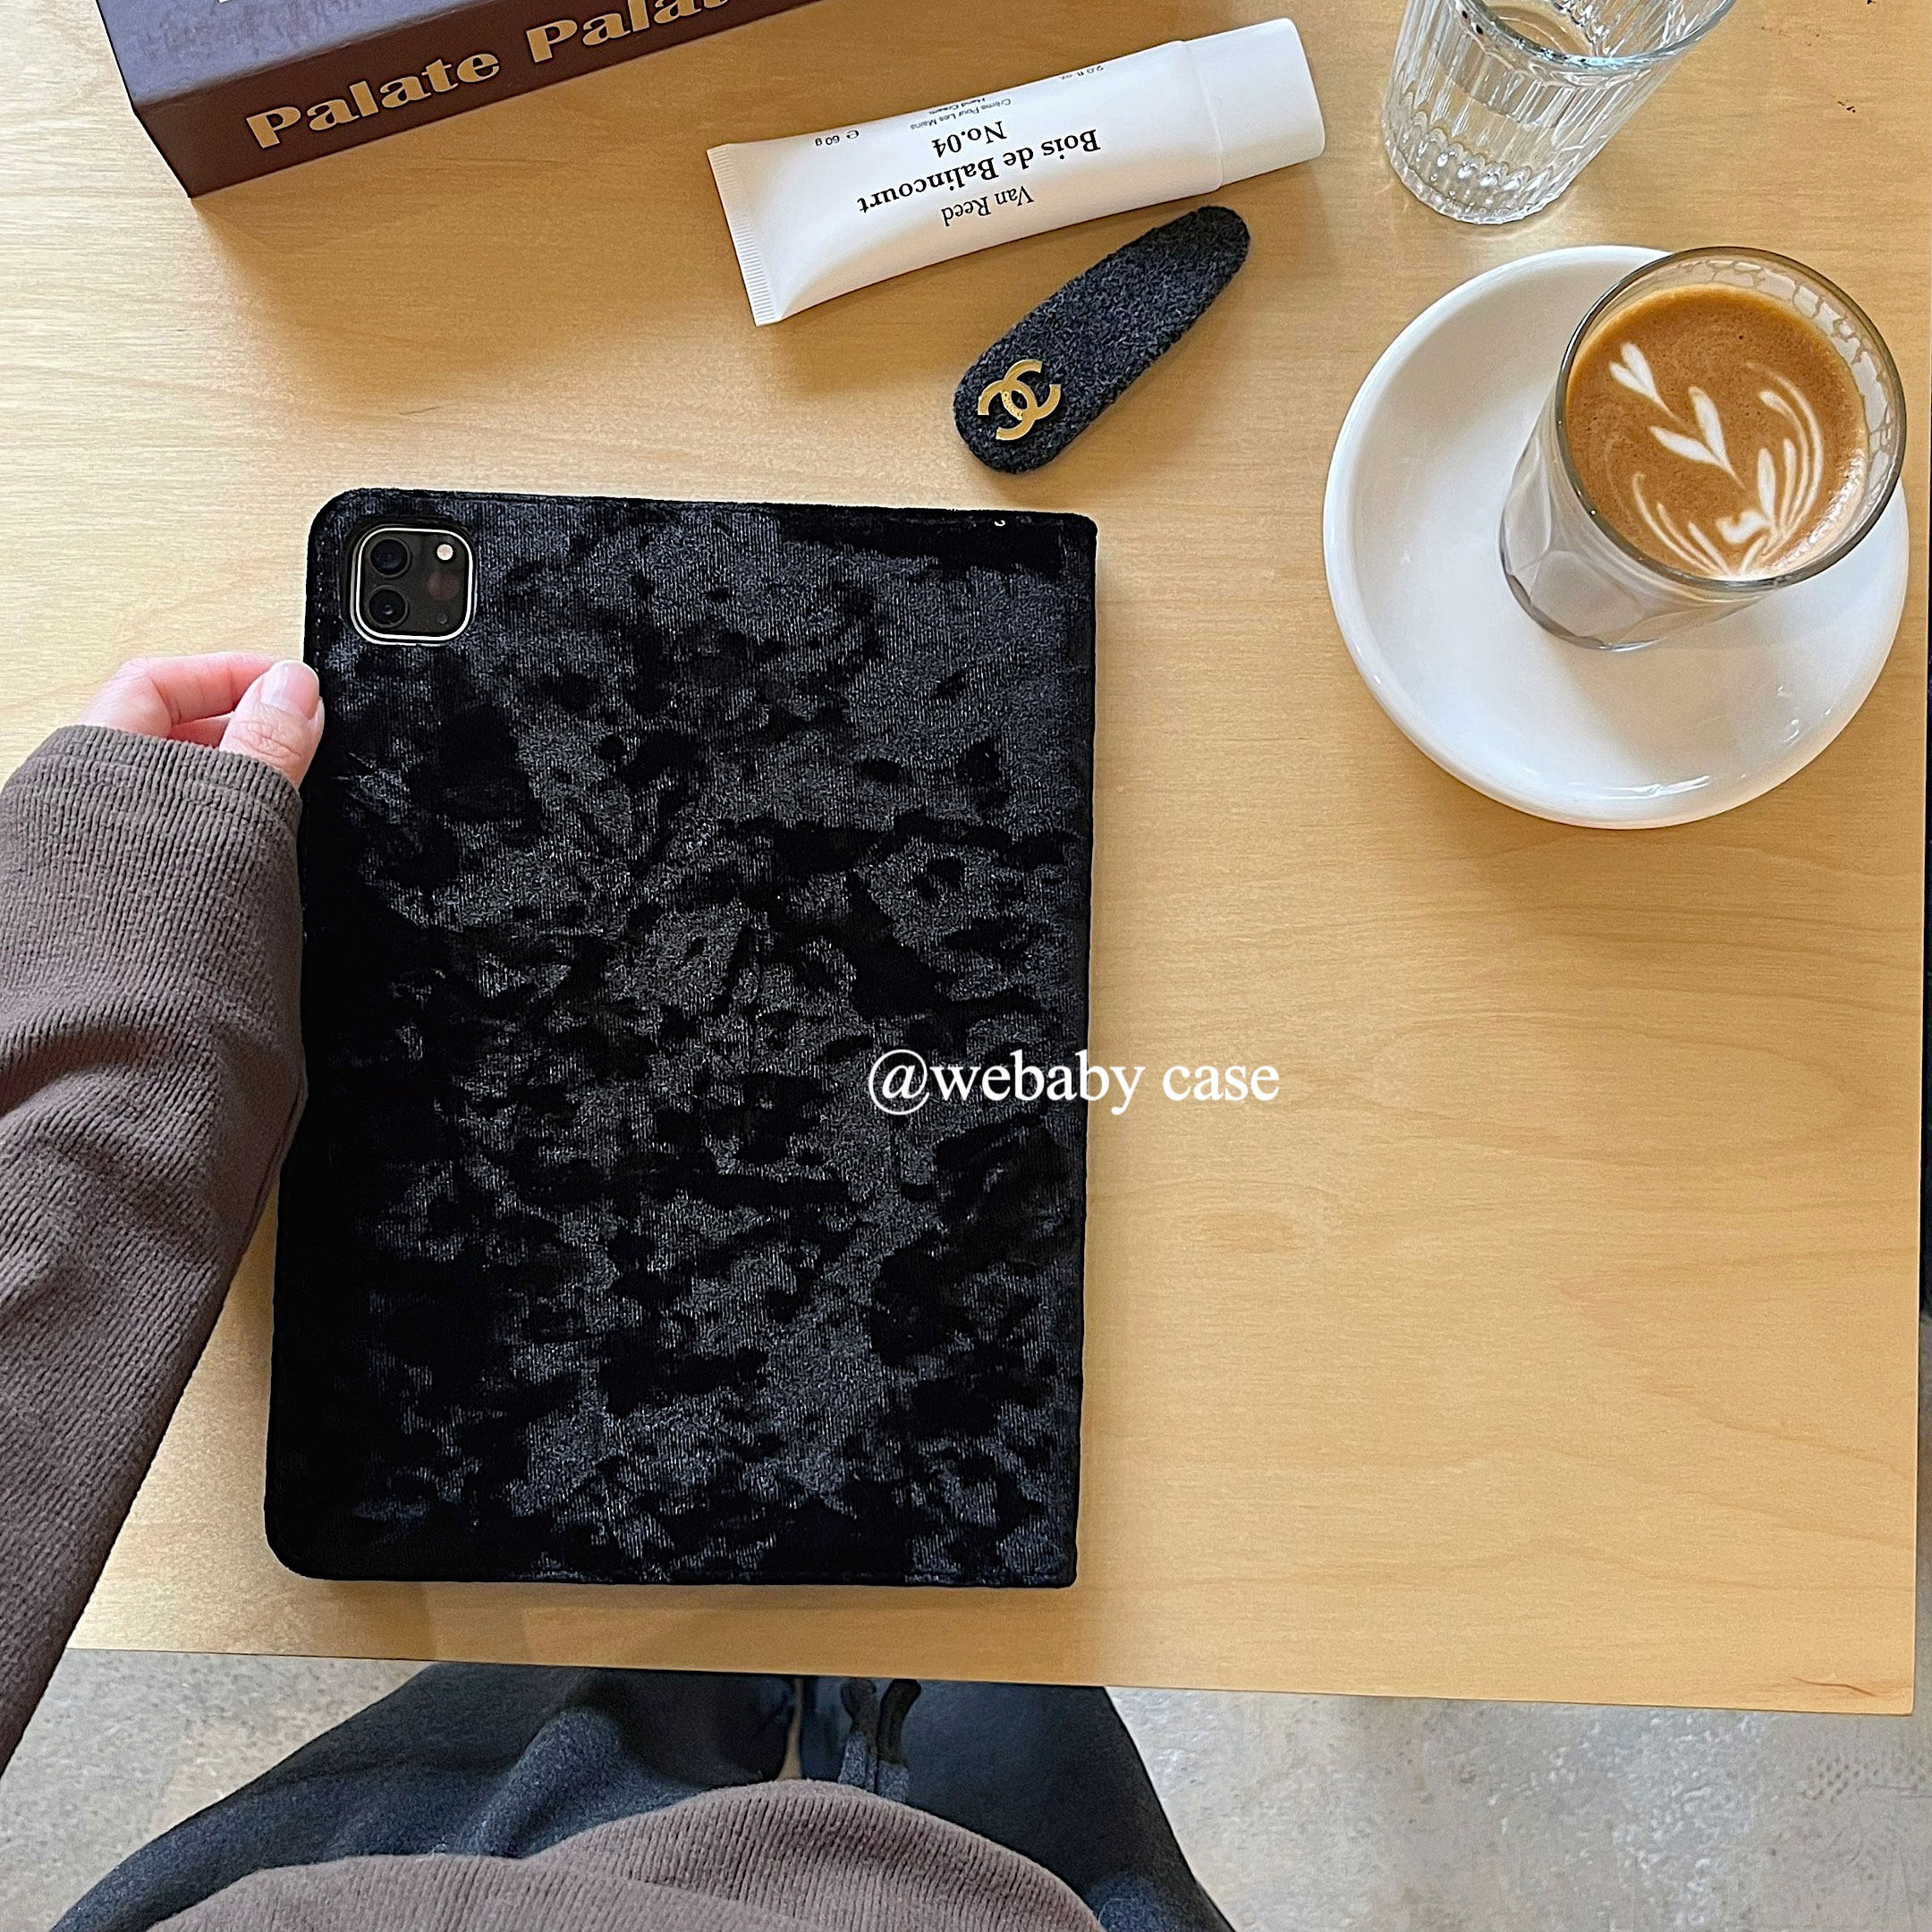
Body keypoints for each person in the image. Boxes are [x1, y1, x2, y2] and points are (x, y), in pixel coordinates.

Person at [0, 655, 1233, 1932]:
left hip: (478, 1853)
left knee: (690, 1653)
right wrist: (123, 1042)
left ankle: (784, 1667)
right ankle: (813, 1668)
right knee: (981, 1681)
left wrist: (128, 1030)